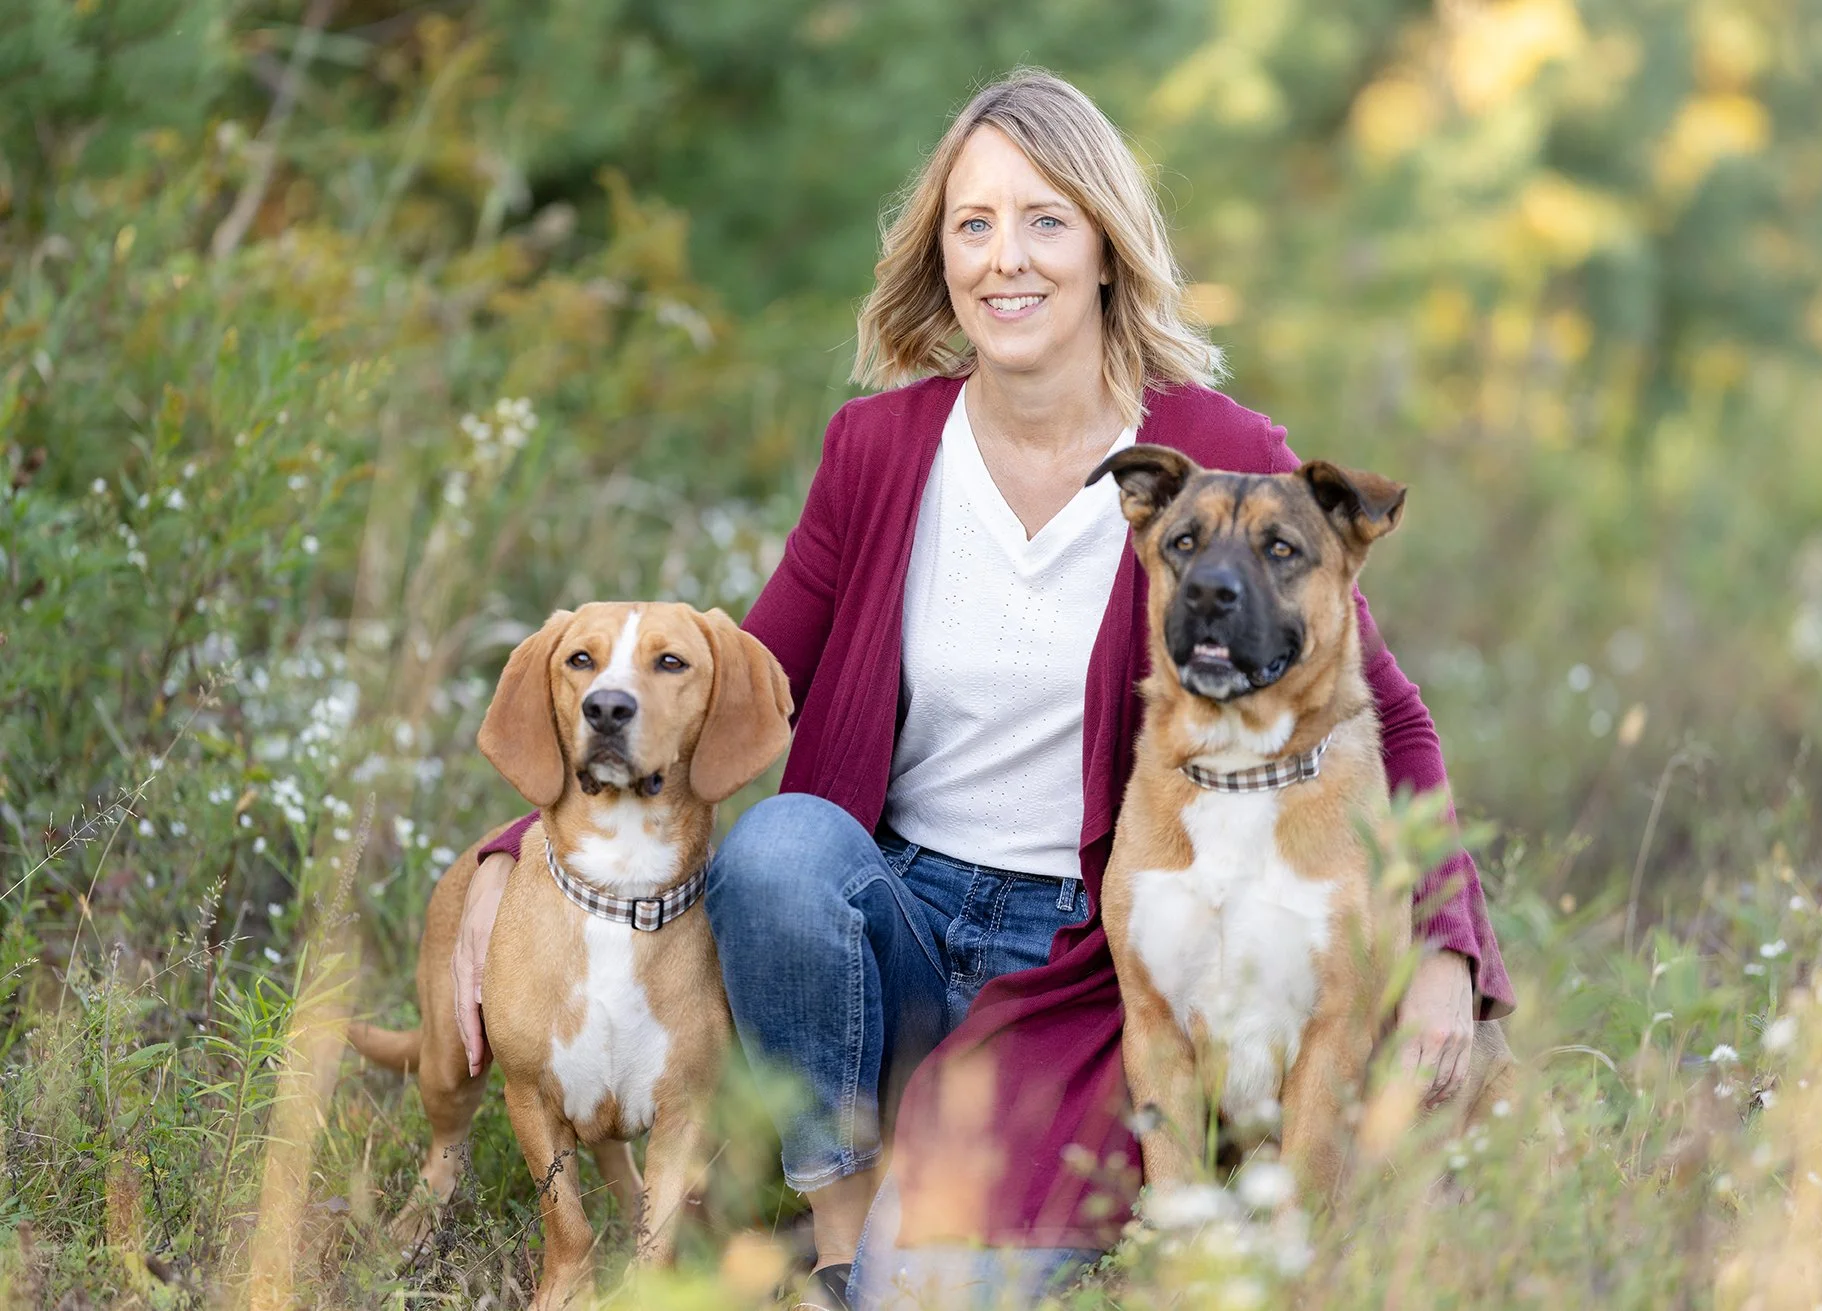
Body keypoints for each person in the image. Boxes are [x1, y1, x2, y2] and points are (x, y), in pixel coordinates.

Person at [453, 69, 1513, 1310]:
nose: (1007, 259)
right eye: (974, 225)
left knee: (944, 1286)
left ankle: (938, 1215)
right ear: (941, 258)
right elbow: (730, 686)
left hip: (1082, 961)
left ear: (1107, 248)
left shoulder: (1215, 454)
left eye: (1045, 220)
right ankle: (838, 1220)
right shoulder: (878, 451)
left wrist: (1448, 948)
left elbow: (1386, 711)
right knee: (782, 851)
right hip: (888, 927)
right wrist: (510, 846)